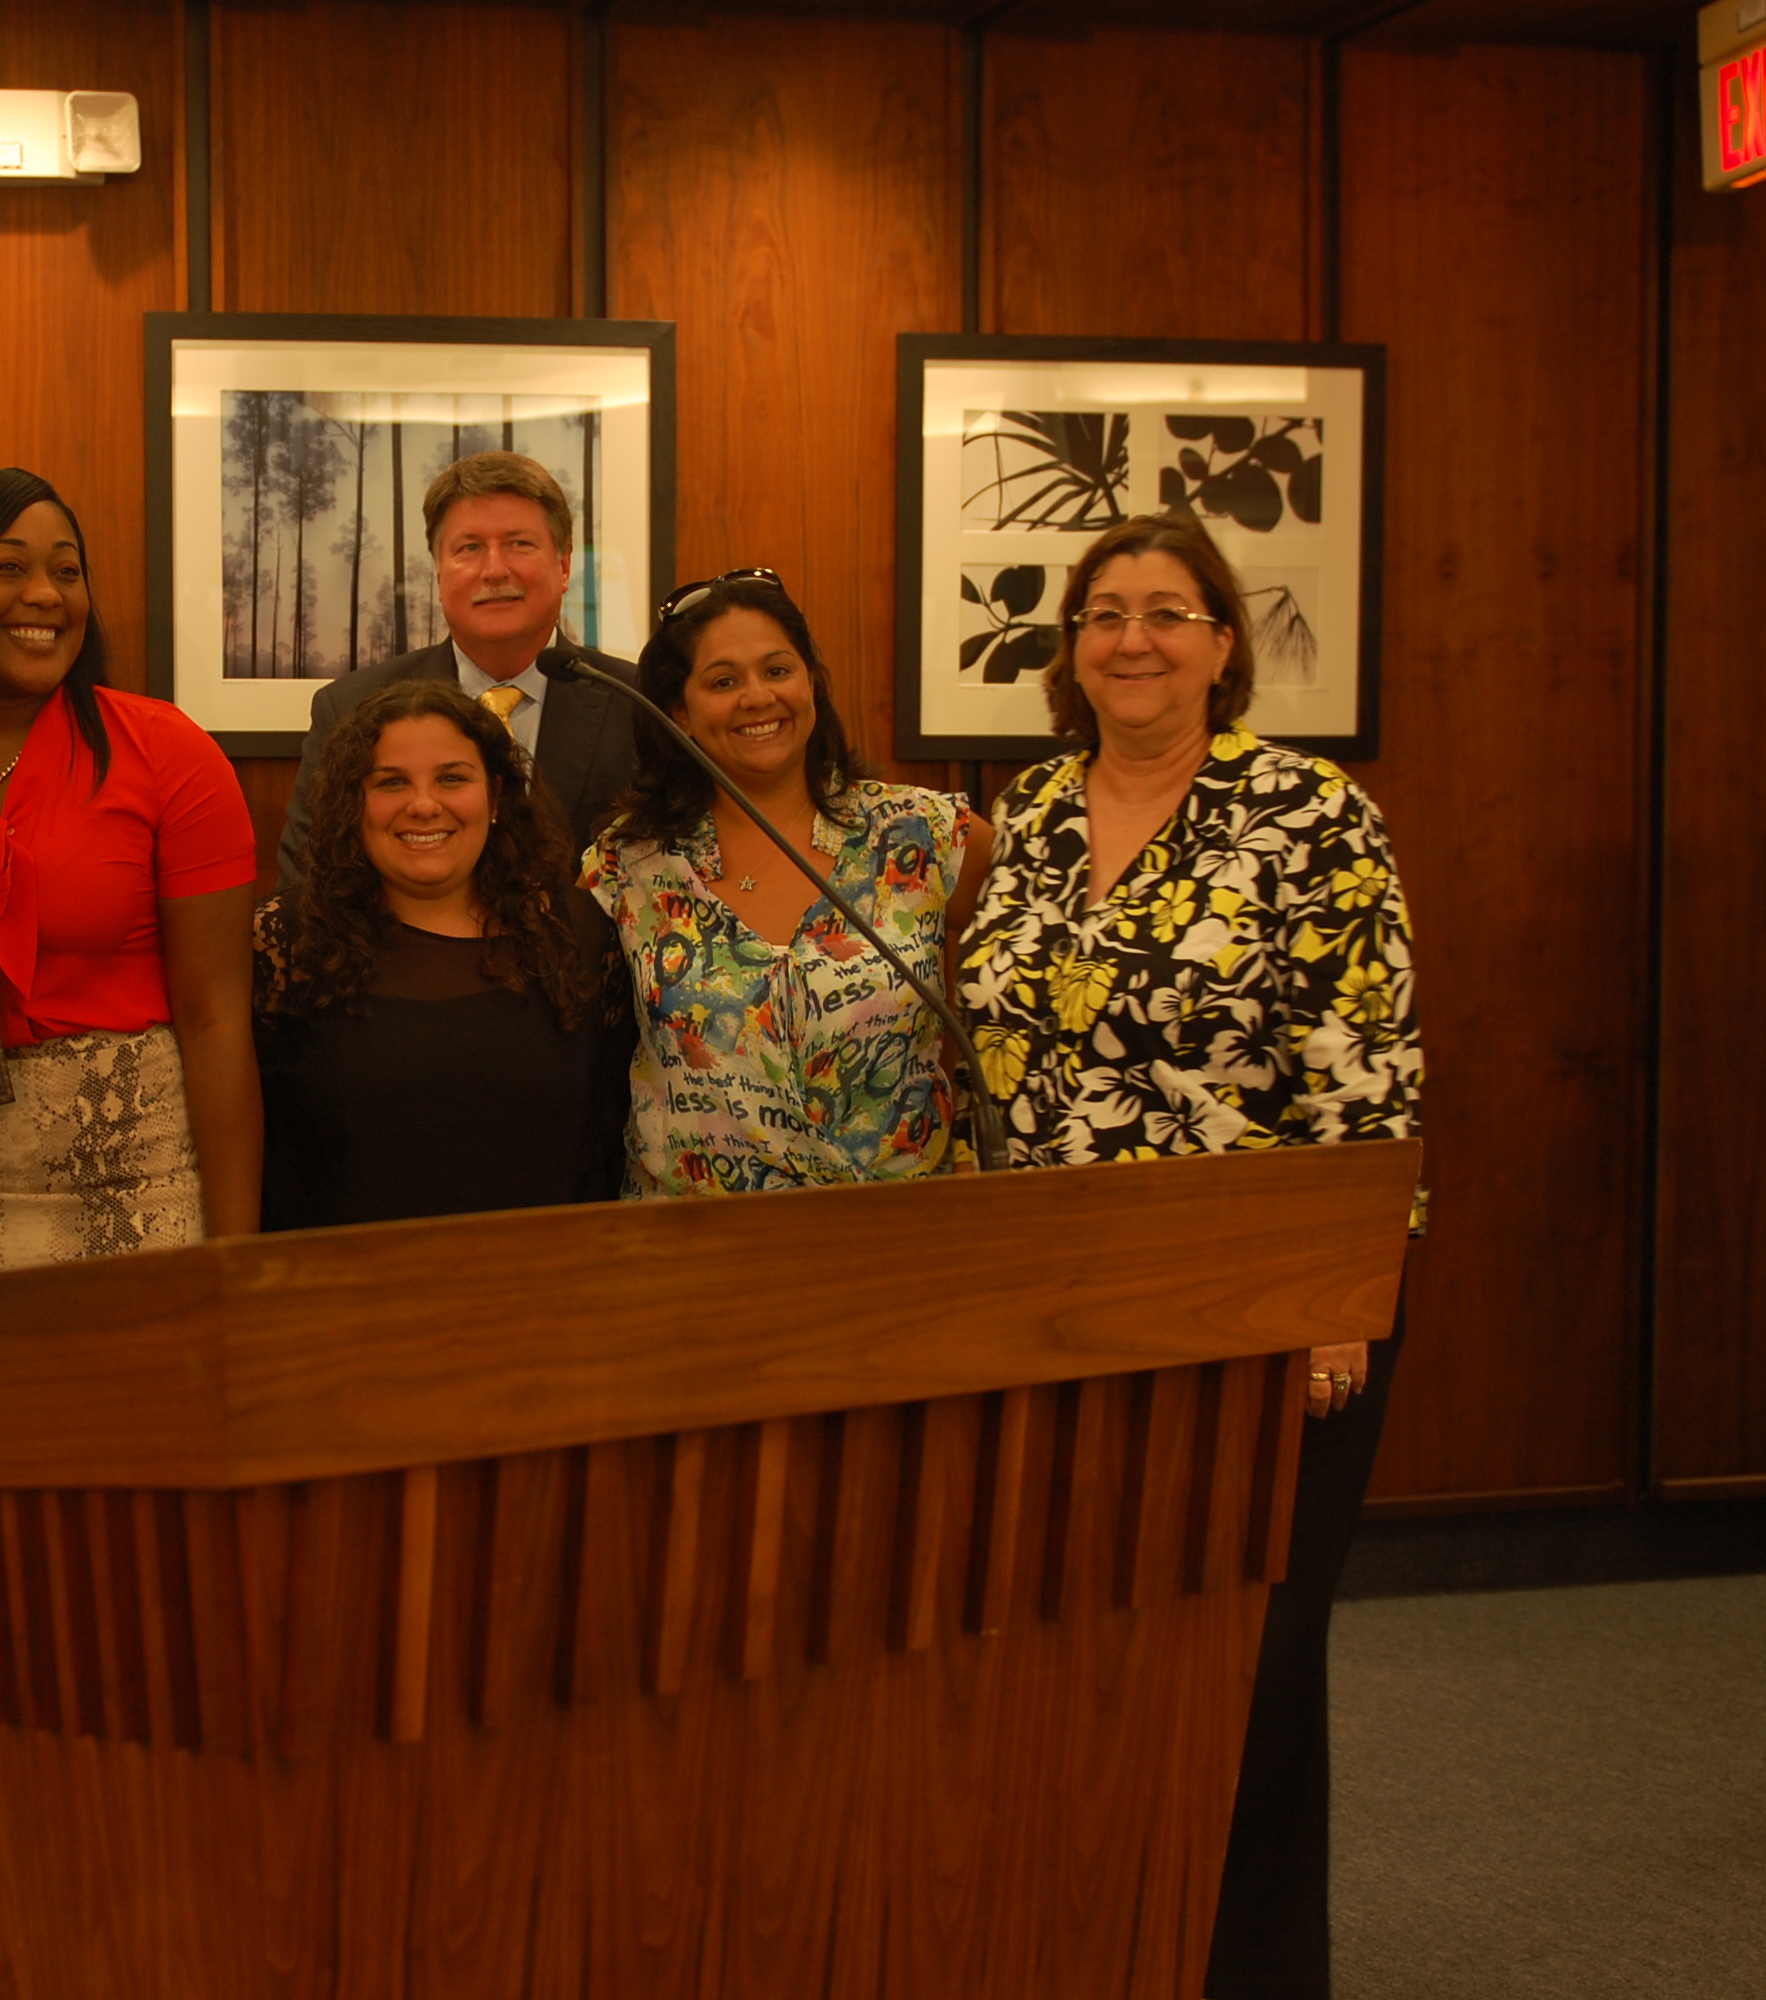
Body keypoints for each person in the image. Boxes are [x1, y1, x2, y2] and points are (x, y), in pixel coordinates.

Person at [952, 512, 1422, 2000]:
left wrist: (1339, 1307)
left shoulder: (1309, 812)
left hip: (1260, 1312)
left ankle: (1249, 1973)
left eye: (1168, 611)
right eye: (1103, 612)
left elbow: (1368, 1078)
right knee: (1089, 1660)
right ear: (1068, 648)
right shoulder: (1027, 808)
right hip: (1055, 1314)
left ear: (1225, 645)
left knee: (1245, 1677)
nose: (1132, 638)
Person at [0, 467, 259, 1270]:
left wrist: (235, 1258)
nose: (46, 595)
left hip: (142, 1194)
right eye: (9, 566)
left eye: (67, 570)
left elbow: (218, 1019)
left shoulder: (168, 751)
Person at [580, 570, 991, 1196]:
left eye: (777, 671)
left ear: (811, 686)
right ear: (681, 714)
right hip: (692, 1253)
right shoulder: (625, 865)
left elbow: (1022, 975)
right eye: (724, 681)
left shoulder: (925, 835)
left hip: (899, 1239)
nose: (756, 697)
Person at [256, 678, 633, 1228]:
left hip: (549, 1284)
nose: (424, 805)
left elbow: (608, 1142)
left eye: (452, 778)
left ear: (497, 796)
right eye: (391, 783)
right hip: (342, 1290)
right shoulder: (285, 943)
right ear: (352, 803)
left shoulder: (581, 934)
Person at [277, 450, 640, 885]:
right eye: (469, 548)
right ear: (439, 573)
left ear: (563, 566)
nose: (494, 569)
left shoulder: (639, 703)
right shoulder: (351, 706)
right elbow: (309, 884)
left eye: (518, 544)